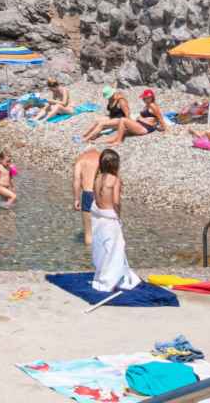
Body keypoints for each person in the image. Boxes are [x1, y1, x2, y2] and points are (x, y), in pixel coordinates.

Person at [89, 149, 140, 292]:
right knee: (115, 248)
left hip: (98, 217)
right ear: (115, 165)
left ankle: (102, 275)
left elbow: (95, 198)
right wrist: (119, 215)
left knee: (102, 248)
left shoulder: (97, 178)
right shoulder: (115, 180)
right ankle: (110, 280)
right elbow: (116, 201)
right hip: (110, 217)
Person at [95, 88, 170, 146]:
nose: (143, 100)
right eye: (143, 98)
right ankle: (100, 142)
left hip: (145, 128)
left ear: (150, 98)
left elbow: (160, 118)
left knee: (123, 120)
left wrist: (166, 130)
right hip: (141, 125)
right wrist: (139, 119)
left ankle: (119, 141)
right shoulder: (147, 105)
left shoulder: (153, 106)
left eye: (145, 98)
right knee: (122, 131)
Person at [71, 147, 100, 244]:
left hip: (87, 194)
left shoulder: (81, 159)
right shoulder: (101, 157)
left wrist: (76, 199)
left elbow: (76, 180)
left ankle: (88, 252)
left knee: (88, 233)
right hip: (100, 194)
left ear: (85, 151)